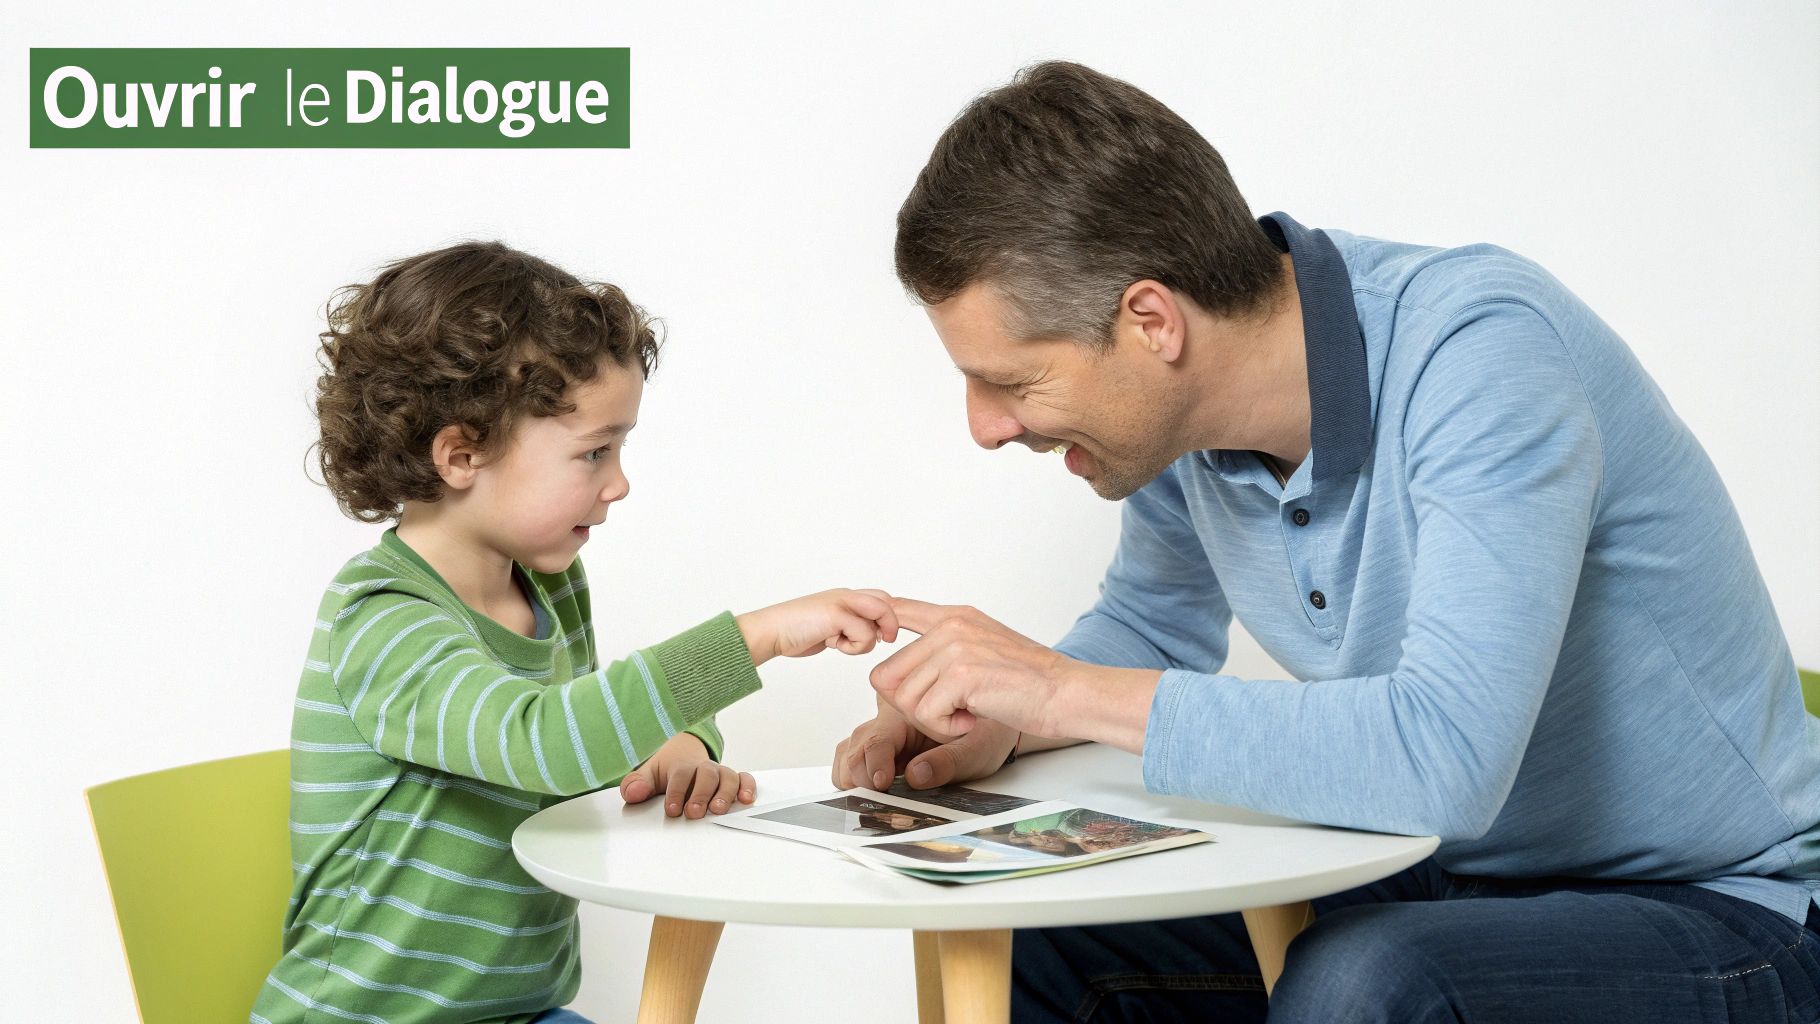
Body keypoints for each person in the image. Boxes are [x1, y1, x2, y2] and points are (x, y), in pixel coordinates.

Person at [833, 61, 1820, 1022]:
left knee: (1370, 978)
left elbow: (1445, 758)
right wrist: (1002, 717)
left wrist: (1055, 688)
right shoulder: (1186, 433)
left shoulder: (1478, 356)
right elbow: (1150, 624)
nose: (984, 426)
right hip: (1436, 875)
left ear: (1149, 321)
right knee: (1058, 937)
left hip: (1725, 904)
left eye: (1009, 381)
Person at [251, 241, 898, 1024]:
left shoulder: (550, 587)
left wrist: (681, 742)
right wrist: (755, 637)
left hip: (521, 1011)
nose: (618, 482)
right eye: (594, 452)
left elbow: (588, 730)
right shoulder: (383, 619)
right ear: (461, 454)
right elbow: (540, 743)